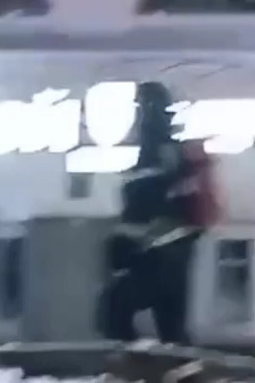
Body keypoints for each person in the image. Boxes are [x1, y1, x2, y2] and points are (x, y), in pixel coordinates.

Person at [98, 81, 217, 345]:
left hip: (158, 253)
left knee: (116, 310)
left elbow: (148, 205)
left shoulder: (160, 153)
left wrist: (123, 245)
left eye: (138, 108)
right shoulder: (166, 154)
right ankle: (166, 363)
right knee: (170, 327)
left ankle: (139, 361)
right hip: (168, 252)